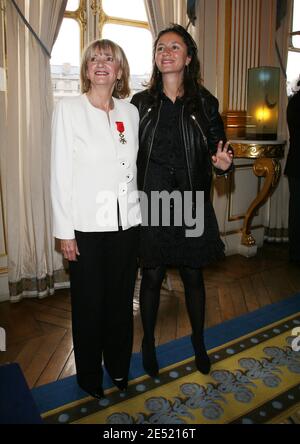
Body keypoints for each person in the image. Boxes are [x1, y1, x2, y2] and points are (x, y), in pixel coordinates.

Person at [131, 24, 233, 377]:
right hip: (153, 199)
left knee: (192, 276)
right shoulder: (140, 104)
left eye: (175, 47)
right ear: (156, 58)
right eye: (161, 47)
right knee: (153, 275)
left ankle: (198, 342)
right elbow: (125, 155)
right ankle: (147, 344)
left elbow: (220, 149)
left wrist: (222, 165)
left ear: (188, 58)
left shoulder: (205, 102)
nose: (167, 52)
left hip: (190, 201)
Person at [51, 39, 141, 398]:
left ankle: (119, 369)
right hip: (85, 228)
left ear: (119, 71)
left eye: (109, 58)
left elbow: (133, 170)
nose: (101, 63)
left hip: (126, 227)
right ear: (87, 70)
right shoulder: (68, 110)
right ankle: (88, 377)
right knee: (89, 306)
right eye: (94, 59)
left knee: (121, 305)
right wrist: (64, 231)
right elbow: (60, 173)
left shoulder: (130, 112)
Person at [284, 79, 300, 265]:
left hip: (296, 163)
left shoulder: (295, 102)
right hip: (298, 164)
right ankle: (296, 252)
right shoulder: (296, 103)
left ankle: (296, 252)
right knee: (297, 210)